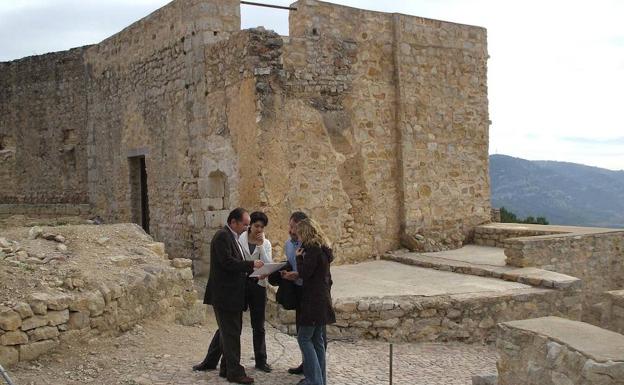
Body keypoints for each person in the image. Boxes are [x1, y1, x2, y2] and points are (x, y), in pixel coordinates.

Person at [200, 208, 263, 385]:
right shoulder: (222, 236)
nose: (247, 227)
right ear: (233, 222)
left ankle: (223, 366)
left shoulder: (232, 237)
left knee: (228, 331)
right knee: (231, 334)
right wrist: (251, 264)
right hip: (225, 295)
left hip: (232, 294)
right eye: (245, 224)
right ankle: (235, 372)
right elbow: (227, 262)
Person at [293, 218, 336, 385]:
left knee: (304, 338)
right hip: (322, 299)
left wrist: (298, 259)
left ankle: (314, 381)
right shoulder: (324, 249)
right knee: (317, 339)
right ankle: (321, 380)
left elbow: (305, 273)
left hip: (313, 301)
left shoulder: (312, 250)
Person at [237, 211, 273, 372]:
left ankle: (261, 360)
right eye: (256, 226)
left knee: (258, 325)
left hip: (258, 285)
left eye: (262, 227)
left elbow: (268, 264)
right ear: (250, 225)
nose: (259, 229)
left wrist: (260, 247)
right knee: (233, 323)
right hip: (241, 285)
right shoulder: (239, 239)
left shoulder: (266, 243)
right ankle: (227, 359)